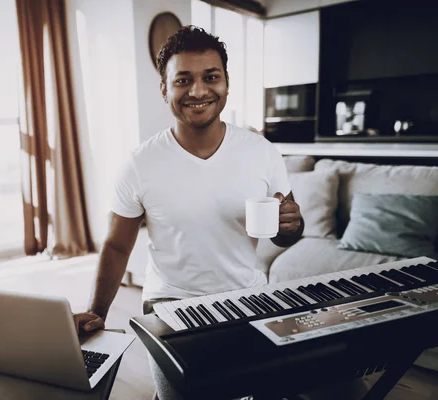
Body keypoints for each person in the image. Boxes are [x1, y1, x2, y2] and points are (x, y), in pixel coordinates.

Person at [74, 26, 304, 400]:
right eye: (183, 80)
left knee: (275, 388)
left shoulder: (262, 152)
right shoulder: (139, 164)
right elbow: (117, 246)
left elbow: (286, 228)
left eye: (210, 77)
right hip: (171, 302)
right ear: (165, 89)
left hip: (249, 296)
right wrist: (96, 311)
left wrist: (291, 224)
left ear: (226, 83)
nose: (198, 91)